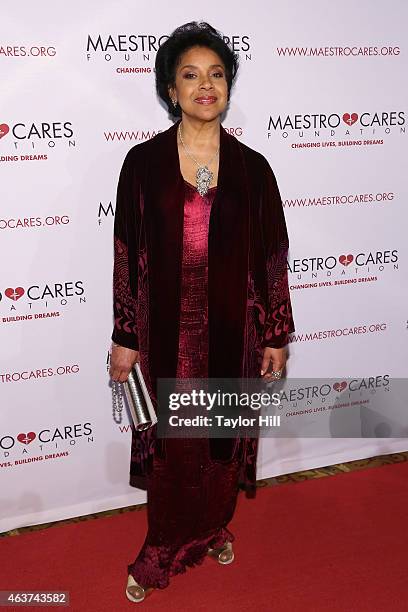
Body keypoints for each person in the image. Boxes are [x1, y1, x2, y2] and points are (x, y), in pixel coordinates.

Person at [109, 21, 295, 603]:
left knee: (221, 442)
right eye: (190, 75)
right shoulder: (141, 165)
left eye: (216, 74)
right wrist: (125, 334)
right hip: (164, 337)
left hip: (233, 334)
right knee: (169, 450)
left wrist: (275, 332)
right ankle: (162, 547)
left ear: (229, 85)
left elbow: (271, 255)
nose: (205, 86)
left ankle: (212, 526)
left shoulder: (253, 169)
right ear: (171, 89)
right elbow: (127, 254)